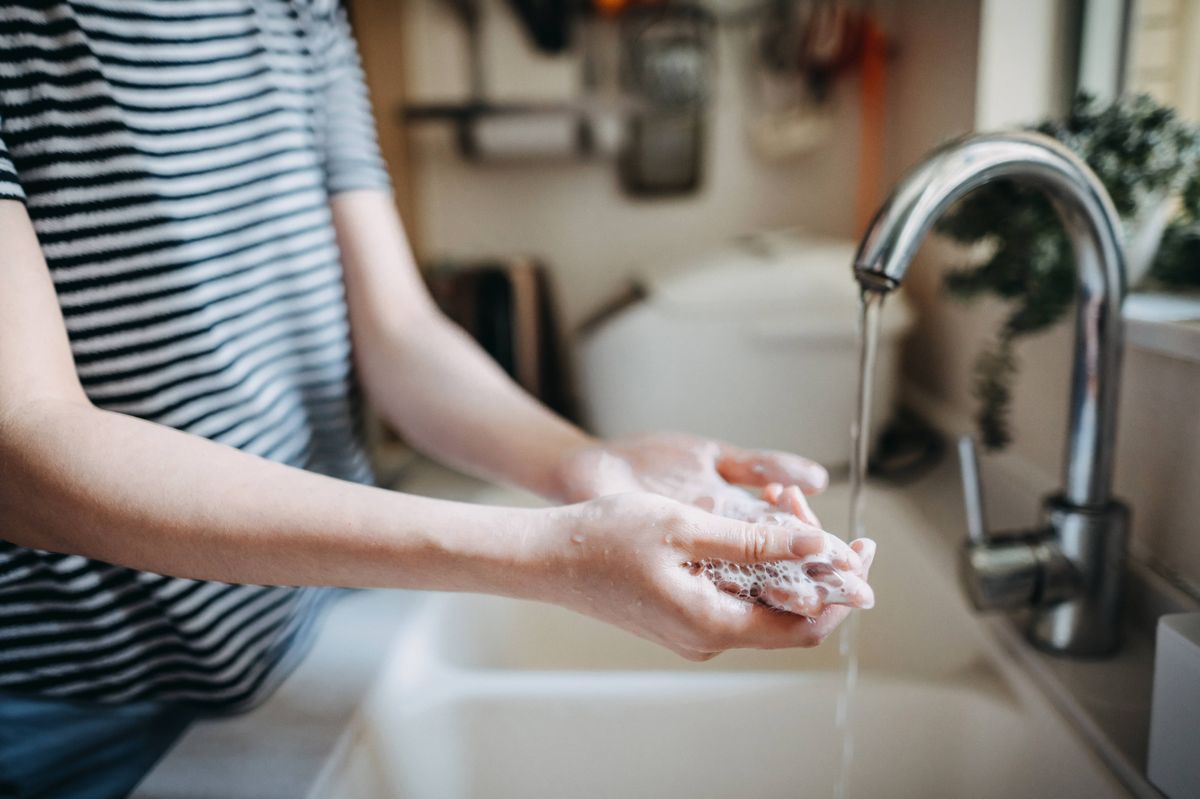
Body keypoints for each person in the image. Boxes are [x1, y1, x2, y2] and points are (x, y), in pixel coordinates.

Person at [0, 2, 875, 796]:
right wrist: (552, 551)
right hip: (70, 704)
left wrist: (582, 459)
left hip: (307, 631)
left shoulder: (296, 12)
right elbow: (24, 447)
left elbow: (401, 333)